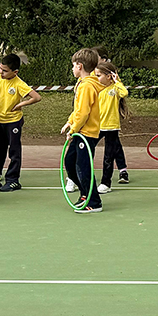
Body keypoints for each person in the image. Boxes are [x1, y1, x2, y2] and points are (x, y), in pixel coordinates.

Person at [0, 53, 41, 191]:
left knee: (14, 151)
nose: (1, 72)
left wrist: (21, 104)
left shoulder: (18, 84)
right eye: (0, 69)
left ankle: (13, 180)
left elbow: (36, 97)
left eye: (5, 71)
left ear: (15, 72)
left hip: (13, 122)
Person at [60, 48, 104, 213]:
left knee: (83, 166)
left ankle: (94, 201)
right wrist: (69, 122)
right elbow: (78, 110)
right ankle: (85, 193)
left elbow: (84, 113)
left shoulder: (87, 86)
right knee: (70, 163)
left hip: (86, 133)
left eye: (73, 66)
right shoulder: (82, 84)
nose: (72, 69)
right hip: (80, 131)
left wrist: (74, 129)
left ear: (79, 66)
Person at [95, 59, 131, 193]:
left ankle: (106, 183)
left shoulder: (115, 89)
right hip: (96, 127)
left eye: (99, 75)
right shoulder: (96, 88)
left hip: (111, 127)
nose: (96, 78)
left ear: (109, 76)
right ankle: (77, 178)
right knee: (86, 151)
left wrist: (117, 81)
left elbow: (124, 93)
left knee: (108, 157)